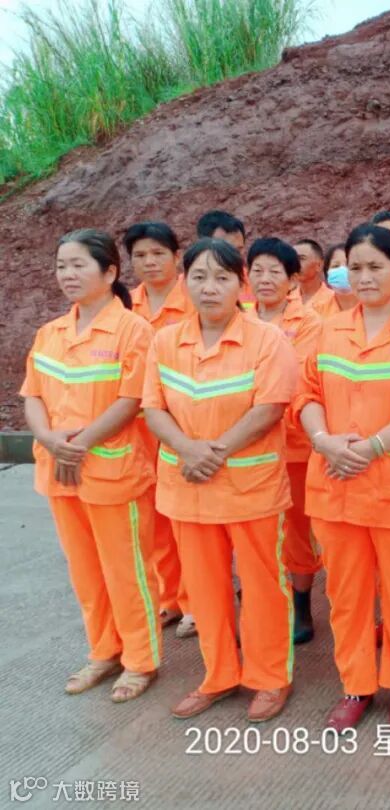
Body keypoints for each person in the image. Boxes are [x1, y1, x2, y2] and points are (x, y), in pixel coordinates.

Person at [142, 238, 298, 723]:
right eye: (199, 277)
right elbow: (153, 407)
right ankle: (219, 674)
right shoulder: (166, 341)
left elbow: (270, 407)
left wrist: (213, 452)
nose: (209, 287)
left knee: (263, 586)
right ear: (184, 281)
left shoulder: (266, 339)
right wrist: (188, 450)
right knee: (205, 589)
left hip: (249, 488)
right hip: (188, 487)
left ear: (240, 284)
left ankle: (270, 677)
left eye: (222, 277)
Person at [296, 224, 390, 731]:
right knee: (347, 595)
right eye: (355, 267)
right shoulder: (328, 329)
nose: (364, 276)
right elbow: (306, 394)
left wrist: (372, 448)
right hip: (335, 484)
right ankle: (356, 686)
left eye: (376, 266)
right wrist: (323, 441)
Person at [22, 229, 160, 703]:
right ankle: (104, 651)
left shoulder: (133, 330)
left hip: (113, 473)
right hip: (60, 472)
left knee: (127, 571)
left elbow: (131, 400)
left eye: (78, 264)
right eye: (61, 265)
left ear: (110, 272)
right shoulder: (51, 333)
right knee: (85, 572)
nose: (67, 274)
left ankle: (140, 660)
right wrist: (48, 440)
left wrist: (78, 445)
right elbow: (33, 396)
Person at [248, 237, 324, 645]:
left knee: (296, 532)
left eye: (274, 271)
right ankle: (265, 603)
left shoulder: (308, 323)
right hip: (247, 446)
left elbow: (297, 378)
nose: (265, 279)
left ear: (292, 279)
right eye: (257, 271)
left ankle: (301, 604)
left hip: (293, 445)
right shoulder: (238, 318)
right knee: (257, 532)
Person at [123, 221, 197, 639]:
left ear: (175, 256)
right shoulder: (126, 305)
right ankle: (168, 597)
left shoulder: (195, 297)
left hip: (181, 424)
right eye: (140, 255)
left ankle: (195, 602)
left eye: (157, 254)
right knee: (152, 520)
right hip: (137, 426)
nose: (149, 262)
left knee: (186, 520)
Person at [196, 210, 252, 308]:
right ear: (202, 245)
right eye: (226, 249)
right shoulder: (183, 287)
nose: (234, 256)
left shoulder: (253, 282)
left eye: (239, 250)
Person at [310, 243, 357, 319]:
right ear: (327, 273)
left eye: (349, 265)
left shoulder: (373, 308)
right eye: (335, 266)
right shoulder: (316, 311)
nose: (342, 270)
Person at [293, 238, 335, 311]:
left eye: (302, 258)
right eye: (293, 259)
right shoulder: (286, 299)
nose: (295, 263)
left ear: (319, 265)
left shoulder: (333, 299)